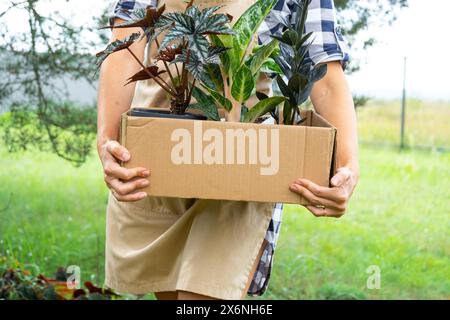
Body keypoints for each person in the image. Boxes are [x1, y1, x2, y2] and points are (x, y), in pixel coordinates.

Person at [97, 0, 359, 300]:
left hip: (241, 166)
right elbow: (123, 51)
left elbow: (324, 73)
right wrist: (107, 141)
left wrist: (348, 166)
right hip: (159, 157)